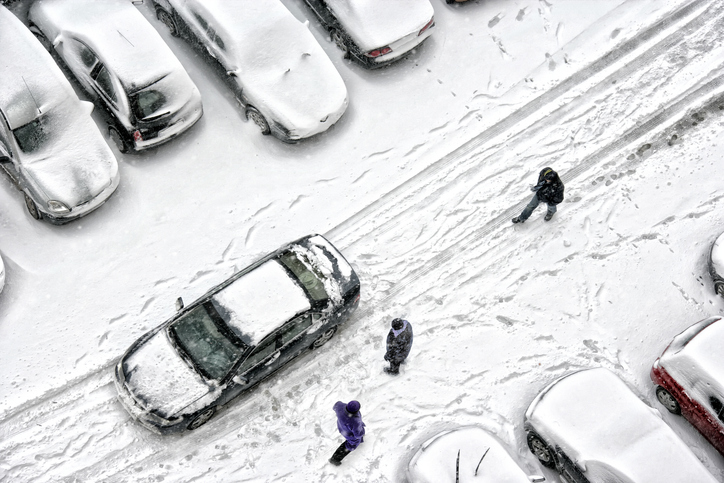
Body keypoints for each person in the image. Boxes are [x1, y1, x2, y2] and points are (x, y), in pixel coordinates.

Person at [329, 400, 365, 466]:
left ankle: (360, 441)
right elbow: (357, 435)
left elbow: (335, 406)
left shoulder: (340, 406)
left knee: (355, 439)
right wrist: (361, 432)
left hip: (342, 428)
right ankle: (335, 459)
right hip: (350, 434)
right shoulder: (355, 421)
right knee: (350, 445)